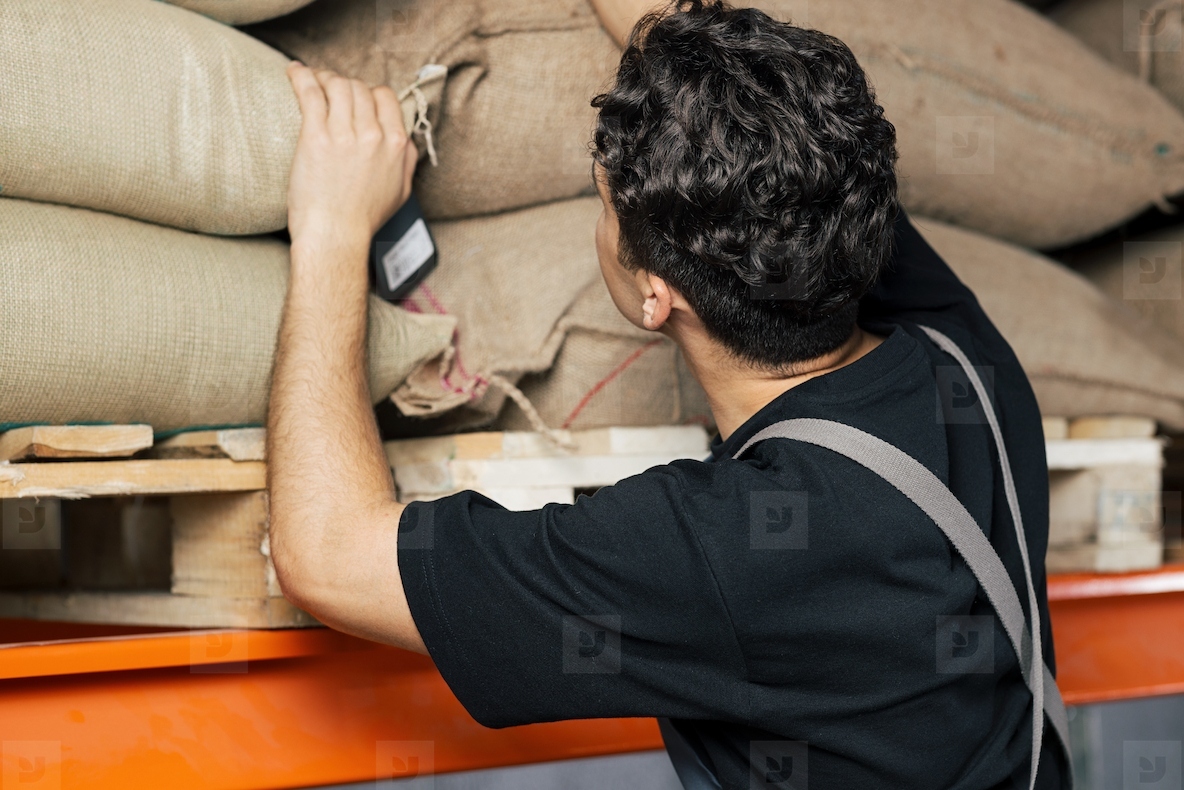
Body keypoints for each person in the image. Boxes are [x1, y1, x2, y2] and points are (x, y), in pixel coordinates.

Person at [267, 1, 1071, 787]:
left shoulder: (717, 552)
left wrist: (334, 227)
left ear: (656, 296)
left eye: (605, 207)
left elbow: (326, 555)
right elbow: (774, 143)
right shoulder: (969, 368)